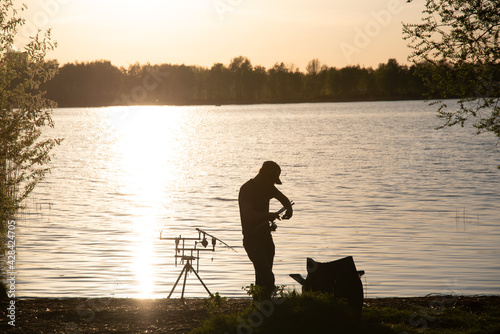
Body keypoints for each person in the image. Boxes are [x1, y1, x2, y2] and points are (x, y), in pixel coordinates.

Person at [238, 161, 293, 297]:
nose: (273, 184)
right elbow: (248, 215)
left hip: (266, 239)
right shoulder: (247, 189)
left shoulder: (268, 188)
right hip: (252, 240)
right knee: (267, 277)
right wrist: (269, 215)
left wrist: (289, 209)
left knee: (262, 278)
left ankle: (260, 307)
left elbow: (284, 199)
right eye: (272, 180)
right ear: (264, 176)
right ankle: (266, 309)